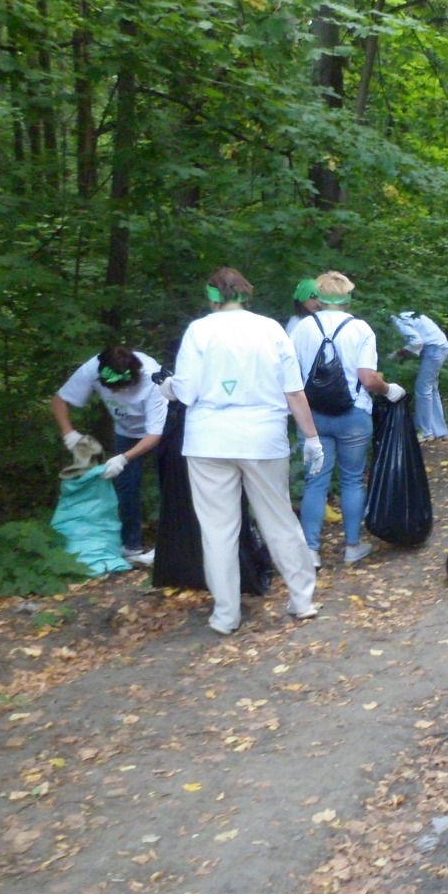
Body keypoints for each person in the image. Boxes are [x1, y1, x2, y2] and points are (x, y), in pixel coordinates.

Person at [171, 266, 323, 635]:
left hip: (208, 440)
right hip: (262, 437)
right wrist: (312, 438)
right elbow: (293, 392)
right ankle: (302, 599)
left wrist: (167, 390)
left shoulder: (198, 331)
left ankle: (226, 615)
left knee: (218, 529)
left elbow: (185, 392)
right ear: (246, 294)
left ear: (211, 297)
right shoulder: (271, 329)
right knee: (279, 518)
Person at [289, 271, 405, 567]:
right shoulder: (360, 329)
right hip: (353, 414)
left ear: (320, 295)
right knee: (353, 480)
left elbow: (290, 375)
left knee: (316, 482)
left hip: (312, 416)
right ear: (347, 296)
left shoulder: (302, 328)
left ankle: (311, 551)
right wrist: (389, 390)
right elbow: (367, 378)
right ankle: (352, 546)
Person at [50, 346, 168, 565]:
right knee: (125, 486)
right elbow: (59, 400)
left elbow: (155, 434)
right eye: (112, 389)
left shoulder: (152, 378)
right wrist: (69, 434)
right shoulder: (92, 369)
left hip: (163, 430)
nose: (117, 394)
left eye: (123, 388)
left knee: (168, 486)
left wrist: (124, 458)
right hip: (126, 431)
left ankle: (169, 545)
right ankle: (132, 546)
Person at [391, 310, 448, 441]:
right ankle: (440, 431)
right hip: (441, 347)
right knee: (431, 388)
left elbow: (417, 341)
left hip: (434, 349)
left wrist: (398, 353)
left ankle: (425, 432)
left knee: (423, 388)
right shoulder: (407, 314)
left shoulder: (397, 320)